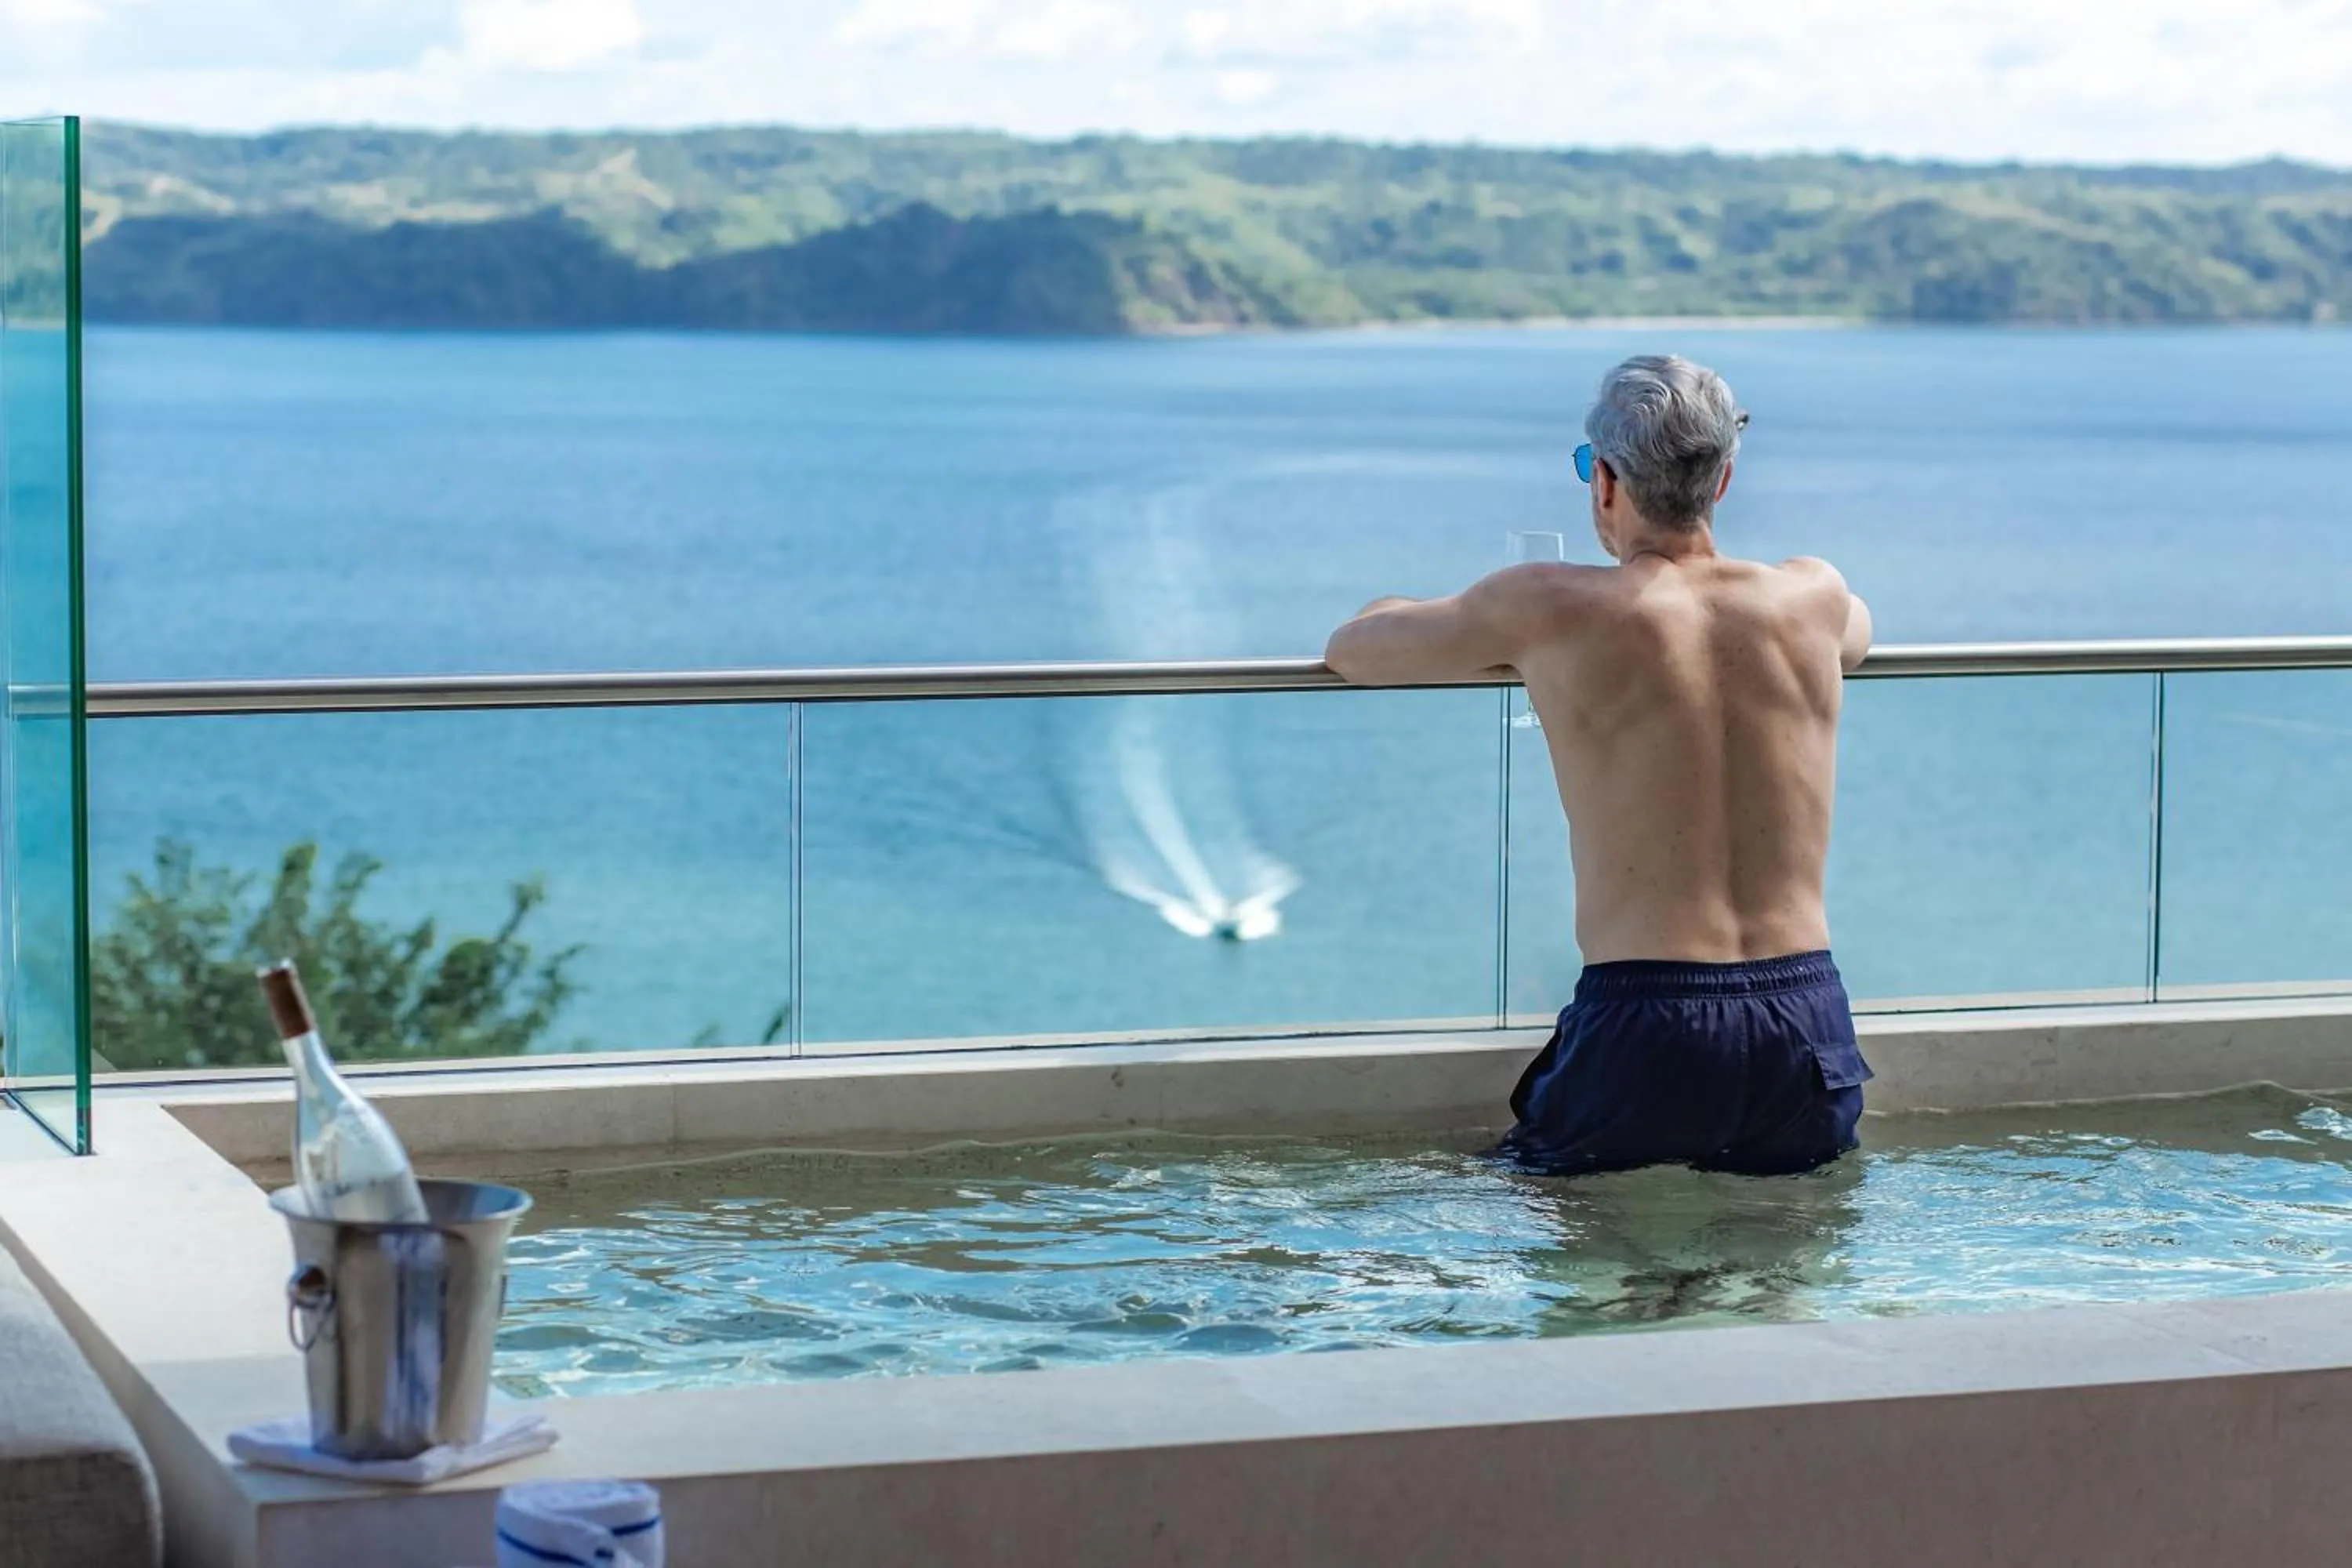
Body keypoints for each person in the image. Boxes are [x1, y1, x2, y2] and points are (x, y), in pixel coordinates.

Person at [1324, 354, 1874, 1176]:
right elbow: (1856, 639)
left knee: (1550, 1241)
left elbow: (1354, 650)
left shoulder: (1549, 602)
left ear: (1606, 481)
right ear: (1722, 479)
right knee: (1780, 1275)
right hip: (1806, 1016)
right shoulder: (1814, 595)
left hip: (1650, 1018)